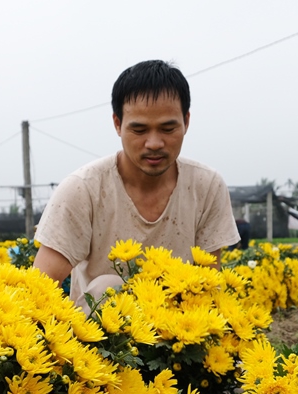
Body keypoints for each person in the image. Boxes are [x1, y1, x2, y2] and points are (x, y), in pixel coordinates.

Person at [33, 60, 240, 309]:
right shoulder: (83, 189)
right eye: (139, 130)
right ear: (117, 124)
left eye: (167, 128)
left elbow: (209, 284)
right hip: (100, 338)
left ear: (186, 121)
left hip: (177, 330)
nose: (154, 143)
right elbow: (40, 288)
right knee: (107, 286)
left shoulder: (207, 186)